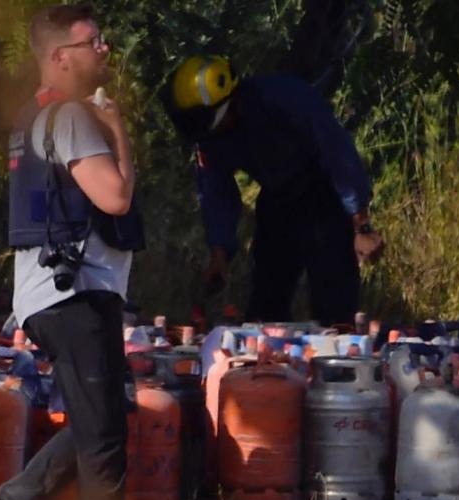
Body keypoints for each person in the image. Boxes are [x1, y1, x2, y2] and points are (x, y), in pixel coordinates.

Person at [0, 4, 151, 500]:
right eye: (93, 41)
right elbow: (115, 198)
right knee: (102, 435)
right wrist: (118, 129)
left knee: (104, 420)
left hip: (54, 292)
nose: (104, 50)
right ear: (59, 57)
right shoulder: (71, 116)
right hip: (73, 294)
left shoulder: (34, 117)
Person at [162, 55, 384, 326]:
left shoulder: (286, 99)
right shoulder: (211, 138)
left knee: (333, 304)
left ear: (229, 105)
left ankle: (335, 360)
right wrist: (219, 256)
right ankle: (269, 362)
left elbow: (338, 155)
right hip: (277, 199)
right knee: (266, 306)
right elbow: (215, 192)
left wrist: (361, 226)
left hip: (323, 196)